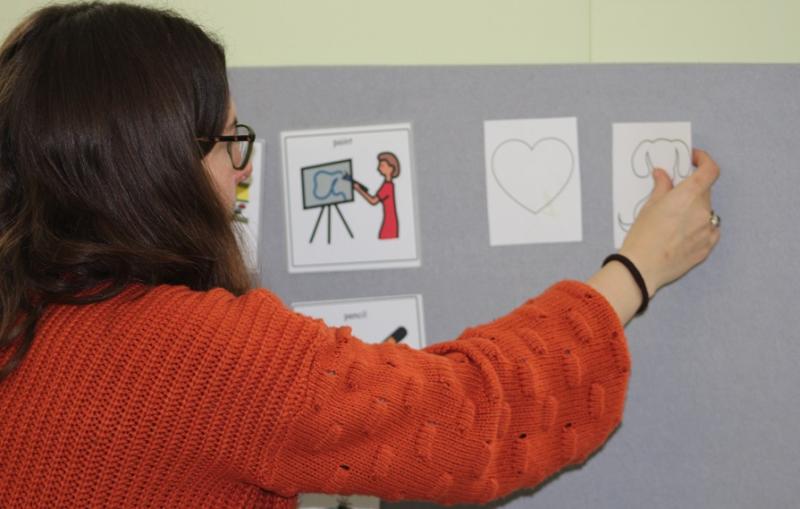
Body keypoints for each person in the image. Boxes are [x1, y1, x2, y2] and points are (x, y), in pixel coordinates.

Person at [0, 3, 721, 508]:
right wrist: (634, 269)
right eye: (226, 141)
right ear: (154, 165)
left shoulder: (23, 325)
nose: (242, 169)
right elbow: (473, 418)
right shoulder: (203, 353)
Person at [353, 152, 400, 239]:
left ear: (391, 168)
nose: (378, 168)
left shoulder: (387, 186)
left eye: (382, 165)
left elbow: (373, 201)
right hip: (390, 221)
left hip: (389, 223)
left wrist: (358, 189)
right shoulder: (388, 185)